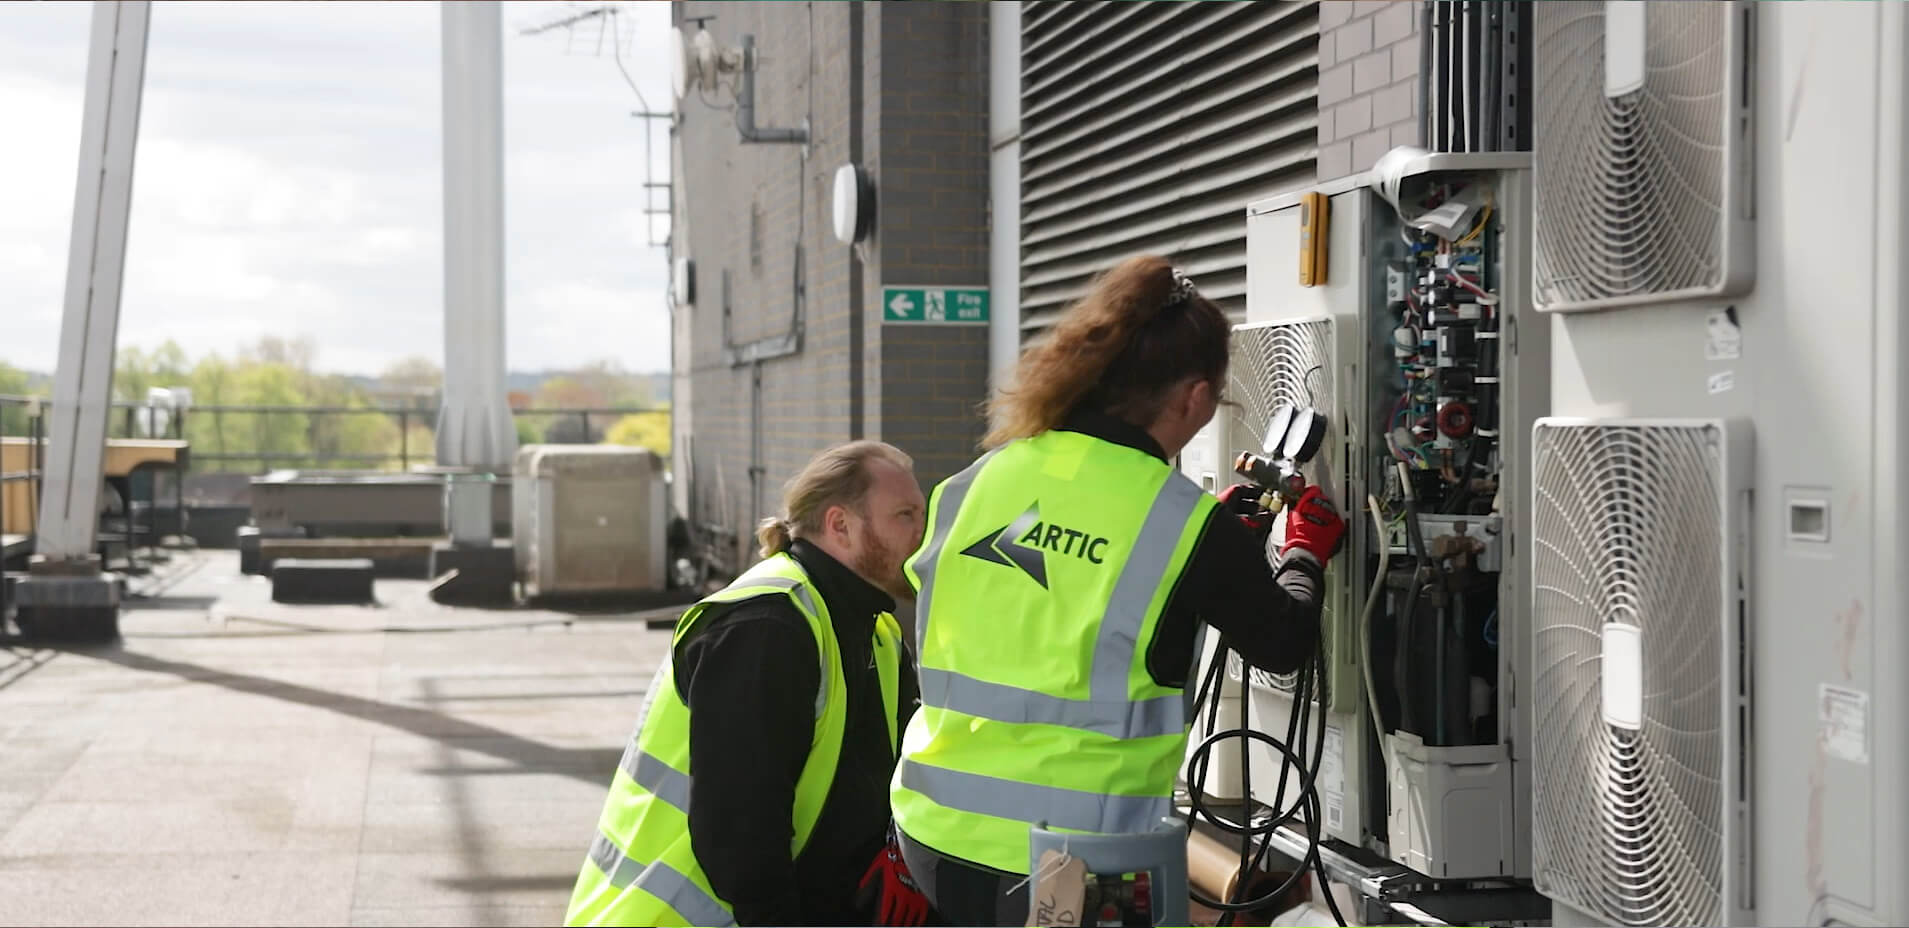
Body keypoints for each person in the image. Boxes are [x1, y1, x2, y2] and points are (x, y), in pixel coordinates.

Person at [888, 255, 1346, 926]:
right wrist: (1303, 551)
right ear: (1192, 397)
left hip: (931, 830)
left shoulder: (980, 477)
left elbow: (1045, 601)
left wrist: (1215, 550)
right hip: (1069, 860)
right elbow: (1281, 643)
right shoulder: (1182, 522)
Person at [567, 441, 931, 927]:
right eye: (905, 516)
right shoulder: (768, 627)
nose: (924, 536)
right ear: (840, 525)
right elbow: (739, 833)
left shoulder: (876, 631)